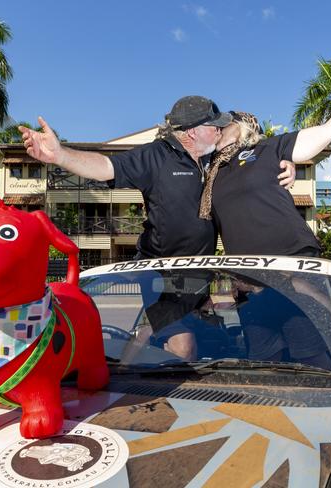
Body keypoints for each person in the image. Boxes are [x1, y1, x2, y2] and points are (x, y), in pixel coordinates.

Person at [19, 96, 295, 360]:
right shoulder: (156, 156)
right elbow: (106, 166)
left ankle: (137, 352)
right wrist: (60, 155)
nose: (221, 130)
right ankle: (134, 386)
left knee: (202, 339)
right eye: (214, 126)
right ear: (192, 132)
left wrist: (285, 165)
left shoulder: (214, 159)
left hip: (198, 277)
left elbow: (254, 158)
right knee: (184, 345)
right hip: (162, 276)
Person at [199, 51, 331, 257]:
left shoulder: (268, 149)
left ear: (243, 128)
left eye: (225, 123)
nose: (219, 129)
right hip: (247, 273)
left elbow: (329, 130)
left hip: (293, 257)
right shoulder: (209, 170)